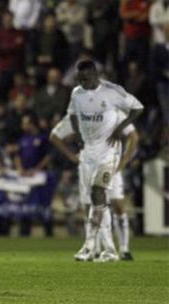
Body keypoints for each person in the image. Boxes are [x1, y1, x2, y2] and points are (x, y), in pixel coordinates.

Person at [66, 59, 143, 261]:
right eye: (79, 79)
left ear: (95, 74)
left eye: (85, 78)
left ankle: (89, 246)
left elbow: (138, 108)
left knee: (98, 193)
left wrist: (120, 127)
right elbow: (72, 114)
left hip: (109, 153)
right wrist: (77, 135)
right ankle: (109, 250)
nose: (81, 82)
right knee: (97, 200)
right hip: (88, 153)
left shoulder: (113, 91)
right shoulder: (77, 93)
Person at [50, 113, 139, 260]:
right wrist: (72, 156)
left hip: (111, 164)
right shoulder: (78, 113)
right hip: (87, 165)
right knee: (89, 206)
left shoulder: (114, 111)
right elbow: (54, 135)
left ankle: (124, 249)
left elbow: (133, 135)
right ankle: (94, 249)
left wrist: (124, 161)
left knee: (117, 204)